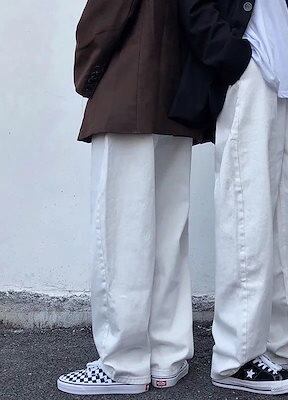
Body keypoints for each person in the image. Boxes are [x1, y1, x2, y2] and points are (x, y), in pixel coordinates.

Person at [171, 0, 288, 395]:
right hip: (250, 73)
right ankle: (236, 357)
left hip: (286, 72)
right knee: (245, 211)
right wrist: (233, 56)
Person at [57, 0, 211, 395]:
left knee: (121, 234)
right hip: (175, 98)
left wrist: (88, 76)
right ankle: (168, 356)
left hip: (127, 92)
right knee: (168, 235)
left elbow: (105, 17)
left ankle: (123, 364)